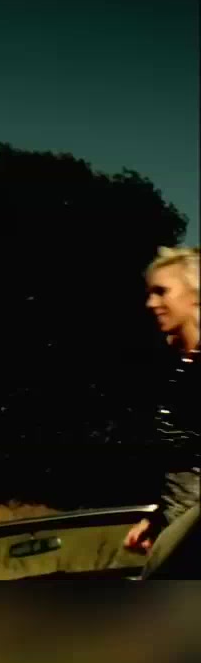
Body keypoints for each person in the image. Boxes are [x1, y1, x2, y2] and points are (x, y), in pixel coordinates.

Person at [125, 246, 199, 578]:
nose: (151, 303)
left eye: (162, 292)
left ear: (196, 295)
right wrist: (158, 519)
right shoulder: (181, 365)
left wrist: (181, 533)